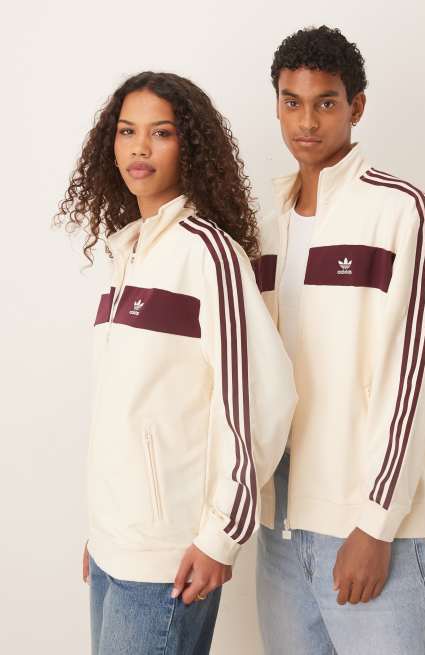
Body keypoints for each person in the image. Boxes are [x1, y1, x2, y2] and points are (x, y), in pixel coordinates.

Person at [55, 71, 297, 655]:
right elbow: (129, 408)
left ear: (189, 145)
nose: (139, 148)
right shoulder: (130, 251)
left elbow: (259, 397)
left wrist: (221, 536)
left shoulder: (208, 253)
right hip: (116, 547)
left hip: (169, 557)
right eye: (127, 131)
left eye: (160, 133)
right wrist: (105, 532)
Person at [254, 26, 425, 654]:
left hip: (365, 529)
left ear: (356, 106)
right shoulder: (264, 223)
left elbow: (416, 379)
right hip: (278, 533)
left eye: (326, 102)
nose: (306, 121)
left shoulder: (402, 213)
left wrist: (375, 524)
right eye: (292, 102)